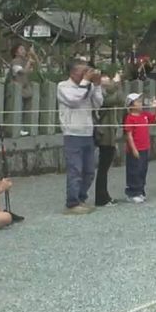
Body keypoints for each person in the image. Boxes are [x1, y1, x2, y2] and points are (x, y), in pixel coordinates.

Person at [56, 59, 105, 215]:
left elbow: (98, 104)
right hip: (72, 132)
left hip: (87, 132)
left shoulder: (87, 86)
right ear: (72, 72)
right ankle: (71, 203)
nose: (86, 74)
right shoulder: (63, 86)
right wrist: (86, 82)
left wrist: (96, 85)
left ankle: (81, 198)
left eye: (87, 71)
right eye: (82, 71)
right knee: (75, 169)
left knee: (89, 171)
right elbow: (74, 100)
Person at [94, 72, 124, 207]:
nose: (108, 80)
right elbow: (117, 98)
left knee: (105, 167)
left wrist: (115, 84)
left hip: (110, 132)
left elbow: (119, 98)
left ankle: (104, 195)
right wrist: (118, 84)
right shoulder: (100, 96)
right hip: (104, 133)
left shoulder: (107, 93)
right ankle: (101, 197)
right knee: (103, 167)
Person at [122, 93, 156, 203]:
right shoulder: (129, 118)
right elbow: (129, 135)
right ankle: (132, 192)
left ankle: (140, 190)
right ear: (131, 105)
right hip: (135, 148)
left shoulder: (144, 115)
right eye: (137, 102)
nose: (140, 104)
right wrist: (133, 149)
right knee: (134, 170)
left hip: (145, 147)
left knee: (143, 169)